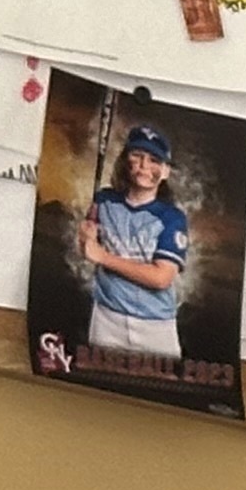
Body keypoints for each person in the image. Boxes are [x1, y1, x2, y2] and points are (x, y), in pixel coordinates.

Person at [80, 124, 188, 358]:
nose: (144, 166)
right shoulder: (104, 200)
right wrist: (86, 237)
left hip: (154, 325)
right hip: (106, 317)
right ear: (125, 161)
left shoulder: (172, 217)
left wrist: (103, 257)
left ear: (166, 171)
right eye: (137, 156)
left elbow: (161, 278)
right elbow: (89, 248)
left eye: (154, 160)